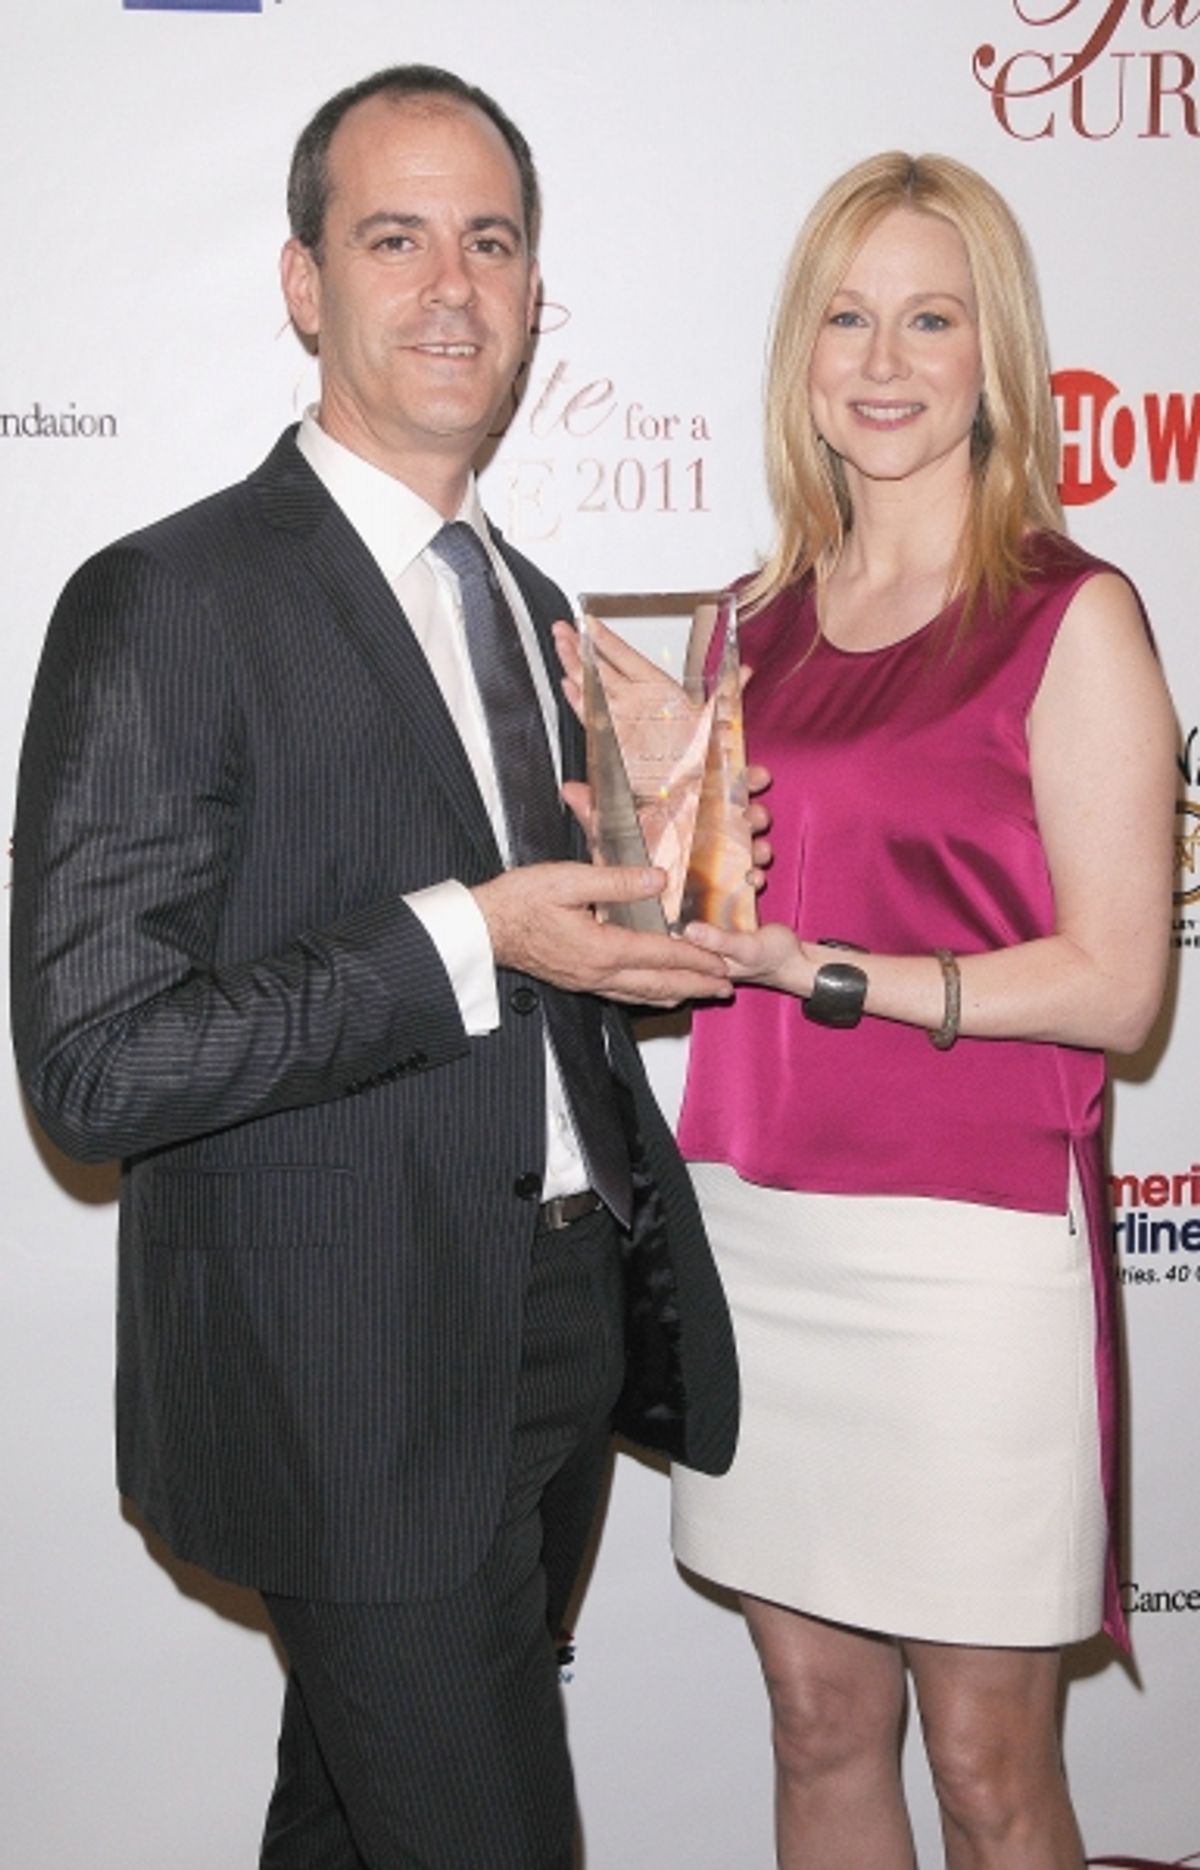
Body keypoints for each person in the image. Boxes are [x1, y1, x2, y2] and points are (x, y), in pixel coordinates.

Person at [9, 65, 741, 1870]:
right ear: (302, 279)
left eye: (490, 241)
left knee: (346, 1827)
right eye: (394, 237)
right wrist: (468, 932)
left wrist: (652, 911)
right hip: (349, 1374)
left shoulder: (538, 603)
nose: (451, 287)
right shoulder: (165, 596)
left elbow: (553, 971)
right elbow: (96, 1061)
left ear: (536, 289)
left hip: (560, 1327)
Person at [669, 153, 1176, 1868]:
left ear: (994, 356)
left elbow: (1120, 983)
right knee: (816, 1719)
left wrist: (837, 972)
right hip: (756, 1228)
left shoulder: (1068, 615)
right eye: (847, 318)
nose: (883, 362)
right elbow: (711, 936)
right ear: (801, 356)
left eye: (931, 319)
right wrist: (636, 883)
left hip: (970, 1255)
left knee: (985, 1761)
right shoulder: (738, 632)